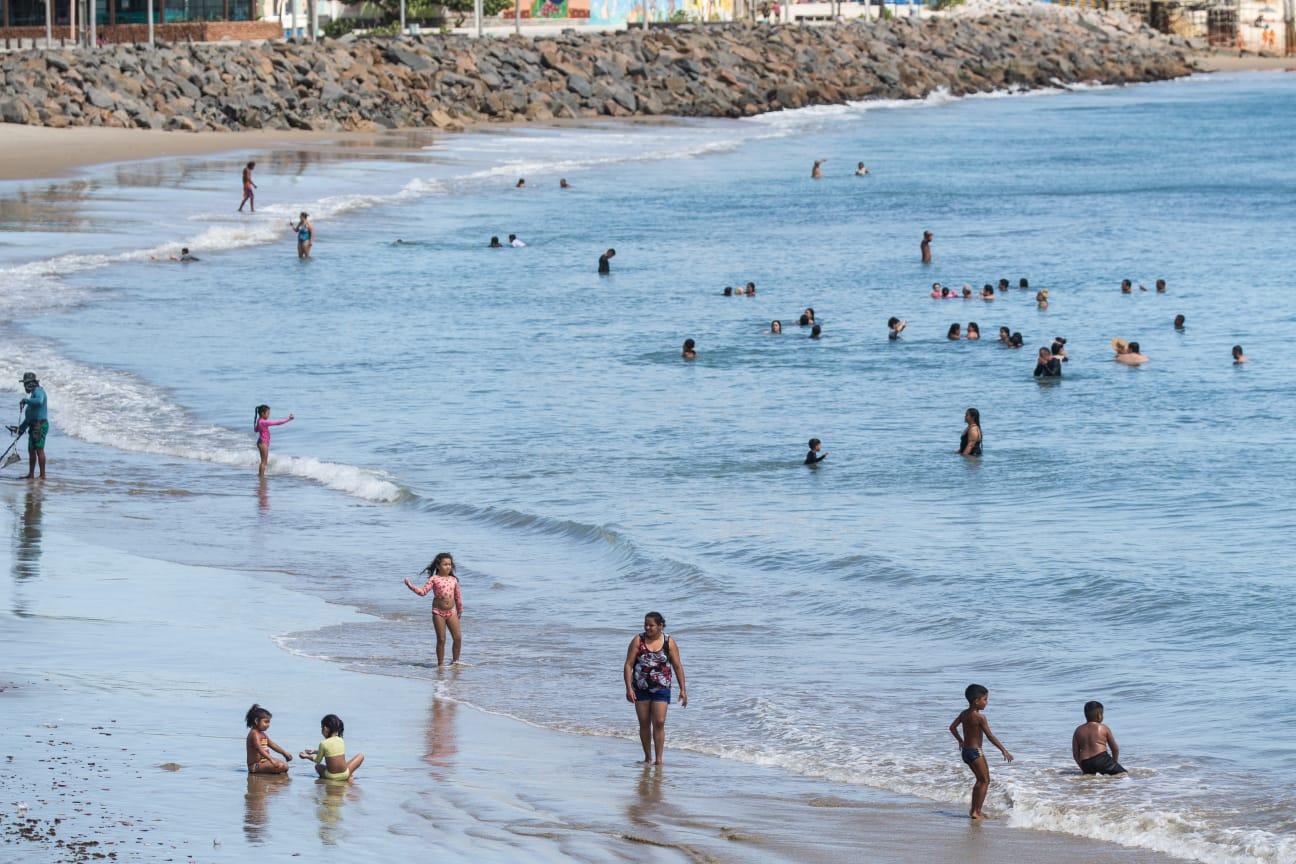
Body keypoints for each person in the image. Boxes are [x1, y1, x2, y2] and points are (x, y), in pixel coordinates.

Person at [623, 612, 687, 765]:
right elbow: (628, 665)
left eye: (651, 625)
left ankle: (659, 759)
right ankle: (647, 757)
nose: (647, 627)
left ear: (660, 626)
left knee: (659, 721)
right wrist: (628, 688)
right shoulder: (638, 640)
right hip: (640, 687)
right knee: (644, 723)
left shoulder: (669, 642)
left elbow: (677, 666)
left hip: (661, 687)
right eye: (646, 624)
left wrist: (683, 690)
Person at [949, 684, 1012, 820]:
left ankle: (975, 810)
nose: (986, 702)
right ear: (976, 701)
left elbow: (952, 727)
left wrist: (960, 741)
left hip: (966, 751)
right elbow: (990, 736)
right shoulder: (979, 717)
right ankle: (976, 812)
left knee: (980, 780)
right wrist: (1004, 750)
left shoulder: (964, 714)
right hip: (976, 752)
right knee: (984, 781)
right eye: (985, 699)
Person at [404, 552, 463, 666]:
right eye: (445, 564)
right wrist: (410, 585)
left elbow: (458, 596)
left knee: (458, 638)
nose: (448, 566)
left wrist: (460, 610)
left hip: (452, 612)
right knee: (441, 639)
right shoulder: (434, 579)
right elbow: (423, 592)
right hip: (438, 612)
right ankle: (440, 665)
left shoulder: (453, 580)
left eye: (450, 564)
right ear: (438, 566)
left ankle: (455, 662)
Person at [299, 714, 364, 782]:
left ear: (325, 729)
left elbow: (317, 760)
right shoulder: (341, 740)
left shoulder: (323, 743)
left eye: (321, 728)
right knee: (360, 756)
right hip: (345, 774)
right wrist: (314, 751)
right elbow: (331, 752)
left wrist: (307, 756)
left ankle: (327, 779)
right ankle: (349, 776)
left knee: (317, 766)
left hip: (331, 776)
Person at [1072, 701, 1126, 776]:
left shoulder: (1078, 730)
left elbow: (1075, 754)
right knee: (1123, 774)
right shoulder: (1103, 727)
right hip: (1101, 759)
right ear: (1099, 715)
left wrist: (1083, 768)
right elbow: (1115, 749)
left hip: (1085, 763)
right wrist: (1114, 763)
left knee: (1092, 780)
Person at [12, 373, 48, 480]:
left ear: (32, 383)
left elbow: (39, 401)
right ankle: (31, 475)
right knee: (31, 450)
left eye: (26, 384)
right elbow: (30, 417)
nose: (24, 387)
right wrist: (20, 429)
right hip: (33, 426)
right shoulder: (33, 394)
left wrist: (26, 401)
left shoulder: (39, 391)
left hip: (40, 426)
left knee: (39, 450)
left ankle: (42, 475)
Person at [245, 704, 292, 774]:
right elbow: (259, 749)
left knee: (285, 766)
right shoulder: (254, 734)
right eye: (266, 722)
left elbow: (273, 745)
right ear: (256, 721)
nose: (268, 725)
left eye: (269, 722)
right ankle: (271, 781)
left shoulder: (262, 734)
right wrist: (271, 759)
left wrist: (284, 753)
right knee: (280, 766)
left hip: (264, 762)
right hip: (255, 765)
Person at [254, 405, 293, 477]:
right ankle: (261, 477)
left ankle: (260, 475)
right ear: (262, 413)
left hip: (261, 442)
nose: (269, 415)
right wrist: (288, 419)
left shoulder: (259, 421)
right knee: (264, 462)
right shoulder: (263, 422)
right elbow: (277, 422)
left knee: (263, 461)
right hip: (263, 443)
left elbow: (256, 430)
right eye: (268, 413)